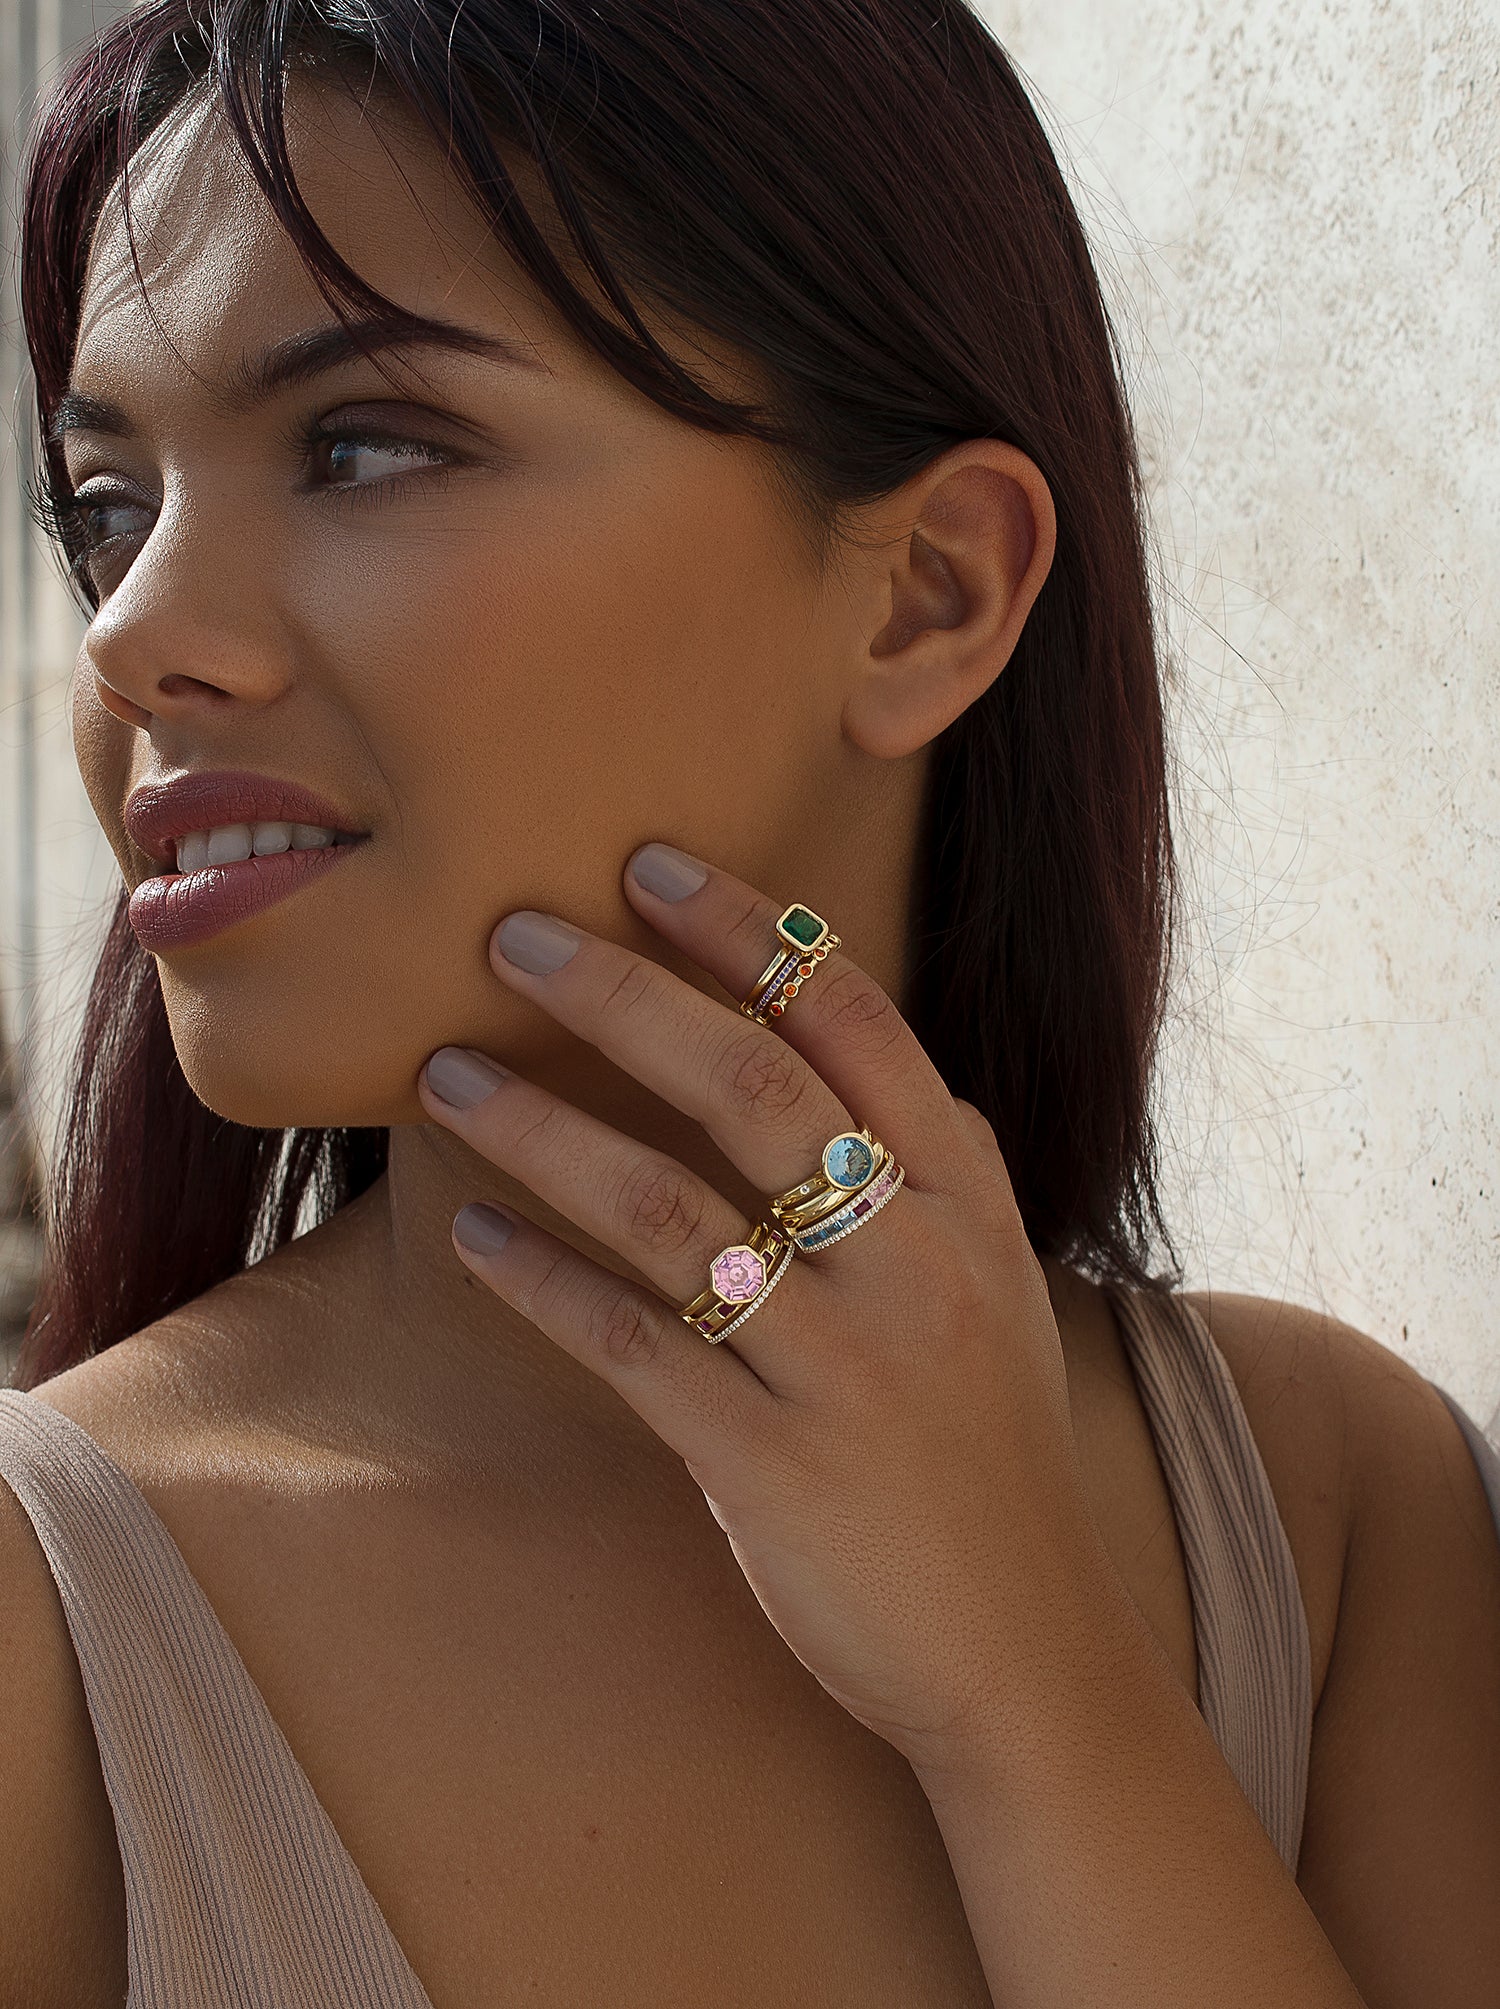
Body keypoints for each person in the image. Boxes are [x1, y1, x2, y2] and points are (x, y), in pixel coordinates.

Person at [1, 1, 1495, 2002]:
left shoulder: (1333, 1502)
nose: (135, 635)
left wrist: (1033, 1689)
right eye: (107, 504)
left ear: (928, 594)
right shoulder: (44, 1627)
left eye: (363, 447)